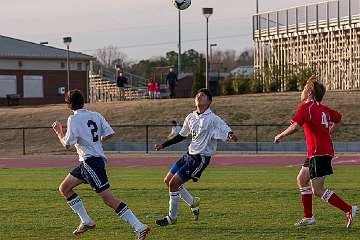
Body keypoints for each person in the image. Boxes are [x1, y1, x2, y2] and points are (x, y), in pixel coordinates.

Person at [52, 90, 150, 239]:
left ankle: (139, 226)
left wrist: (59, 132)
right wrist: (97, 141)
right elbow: (110, 133)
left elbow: (66, 145)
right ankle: (86, 221)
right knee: (64, 188)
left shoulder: (73, 119)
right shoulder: (95, 115)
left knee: (109, 199)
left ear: (68, 104)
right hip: (88, 162)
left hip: (91, 162)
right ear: (83, 101)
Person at [274, 76, 357, 228]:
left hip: (319, 153)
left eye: (305, 88)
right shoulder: (322, 108)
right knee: (301, 179)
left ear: (310, 92)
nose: (302, 91)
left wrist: (281, 135)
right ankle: (308, 217)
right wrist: (329, 132)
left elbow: (295, 127)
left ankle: (349, 209)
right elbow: (339, 119)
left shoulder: (307, 108)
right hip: (317, 152)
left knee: (317, 190)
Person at [154, 88, 238, 226]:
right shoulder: (190, 117)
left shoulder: (212, 118)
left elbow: (224, 127)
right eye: (198, 94)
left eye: (203, 95)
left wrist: (230, 134)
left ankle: (172, 217)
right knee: (167, 180)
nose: (199, 96)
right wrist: (164, 145)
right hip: (189, 155)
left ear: (209, 101)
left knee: (174, 183)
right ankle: (193, 202)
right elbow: (181, 135)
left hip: (200, 158)